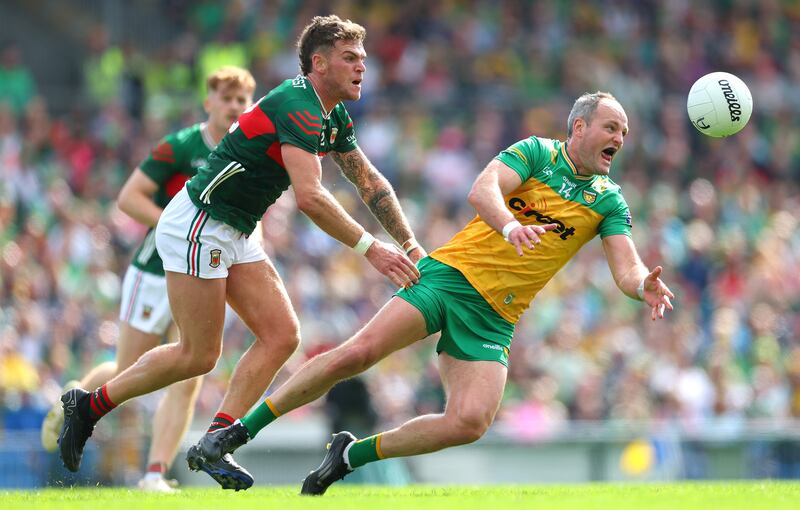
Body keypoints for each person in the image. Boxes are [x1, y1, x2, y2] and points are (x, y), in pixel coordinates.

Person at [190, 91, 676, 494]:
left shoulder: (608, 200)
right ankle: (237, 433)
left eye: (624, 132)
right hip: (449, 278)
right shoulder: (536, 153)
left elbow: (626, 267)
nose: (619, 139)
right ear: (580, 127)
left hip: (495, 317)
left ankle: (350, 455)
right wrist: (510, 226)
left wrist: (643, 286)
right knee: (358, 353)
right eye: (611, 128)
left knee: (470, 422)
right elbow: (483, 190)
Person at [57, 14, 424, 492]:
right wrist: (370, 248)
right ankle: (88, 406)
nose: (362, 67)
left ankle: (215, 442)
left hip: (237, 227)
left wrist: (411, 245)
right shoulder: (298, 104)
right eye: (350, 58)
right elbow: (310, 197)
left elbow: (370, 182)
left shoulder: (331, 114)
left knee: (282, 335)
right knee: (198, 355)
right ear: (319, 63)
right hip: (202, 223)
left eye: (364, 59)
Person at [41, 66, 256, 491]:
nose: (234, 106)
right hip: (156, 269)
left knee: (191, 372)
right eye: (226, 98)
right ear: (208, 102)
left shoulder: (247, 152)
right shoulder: (180, 146)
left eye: (241, 100)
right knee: (128, 369)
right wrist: (182, 227)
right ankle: (77, 395)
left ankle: (155, 475)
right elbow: (128, 198)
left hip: (206, 272)